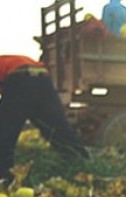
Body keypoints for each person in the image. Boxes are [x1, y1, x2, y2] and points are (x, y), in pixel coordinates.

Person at [0, 55, 89, 184]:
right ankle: (83, 166)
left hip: (19, 76)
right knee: (56, 128)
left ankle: (5, 178)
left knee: (4, 134)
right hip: (42, 77)